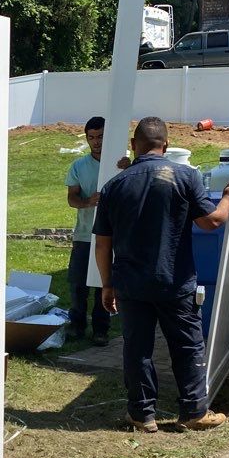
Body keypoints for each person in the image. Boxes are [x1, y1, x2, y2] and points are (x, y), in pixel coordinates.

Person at [92, 116, 229, 433]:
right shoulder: (185, 176)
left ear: (134, 146)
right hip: (174, 281)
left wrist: (107, 284)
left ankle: (142, 415)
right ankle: (193, 412)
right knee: (187, 346)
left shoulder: (113, 186)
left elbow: (103, 245)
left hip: (131, 283)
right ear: (166, 145)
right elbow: (211, 222)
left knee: (137, 349)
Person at [63, 116, 127, 346]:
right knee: (78, 283)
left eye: (100, 137)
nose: (96, 142)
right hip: (84, 233)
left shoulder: (121, 163)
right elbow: (71, 198)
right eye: (91, 138)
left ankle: (101, 329)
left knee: (104, 281)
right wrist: (88, 201)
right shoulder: (79, 166)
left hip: (112, 235)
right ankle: (77, 325)